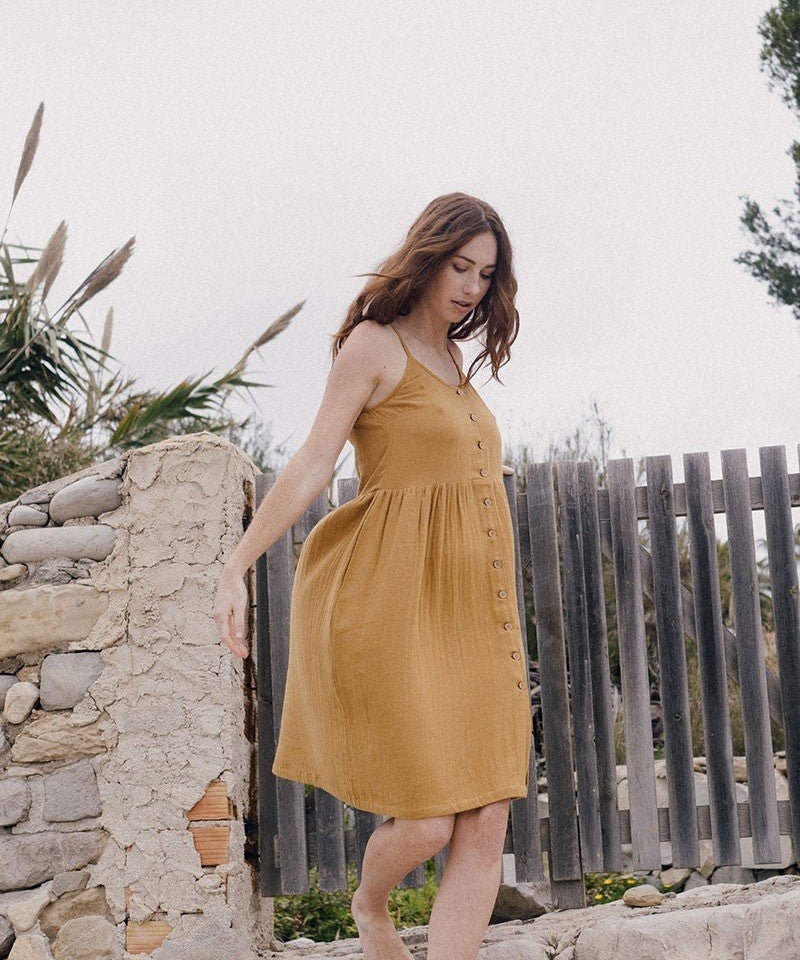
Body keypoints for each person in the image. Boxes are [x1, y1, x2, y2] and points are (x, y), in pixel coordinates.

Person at [213, 192, 532, 960]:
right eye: (459, 266)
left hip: (479, 618)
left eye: (485, 275)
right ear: (427, 257)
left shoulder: (456, 360)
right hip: (396, 605)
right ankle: (370, 905)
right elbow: (314, 462)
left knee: (487, 820)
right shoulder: (373, 345)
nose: (470, 286)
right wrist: (237, 563)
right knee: (425, 821)